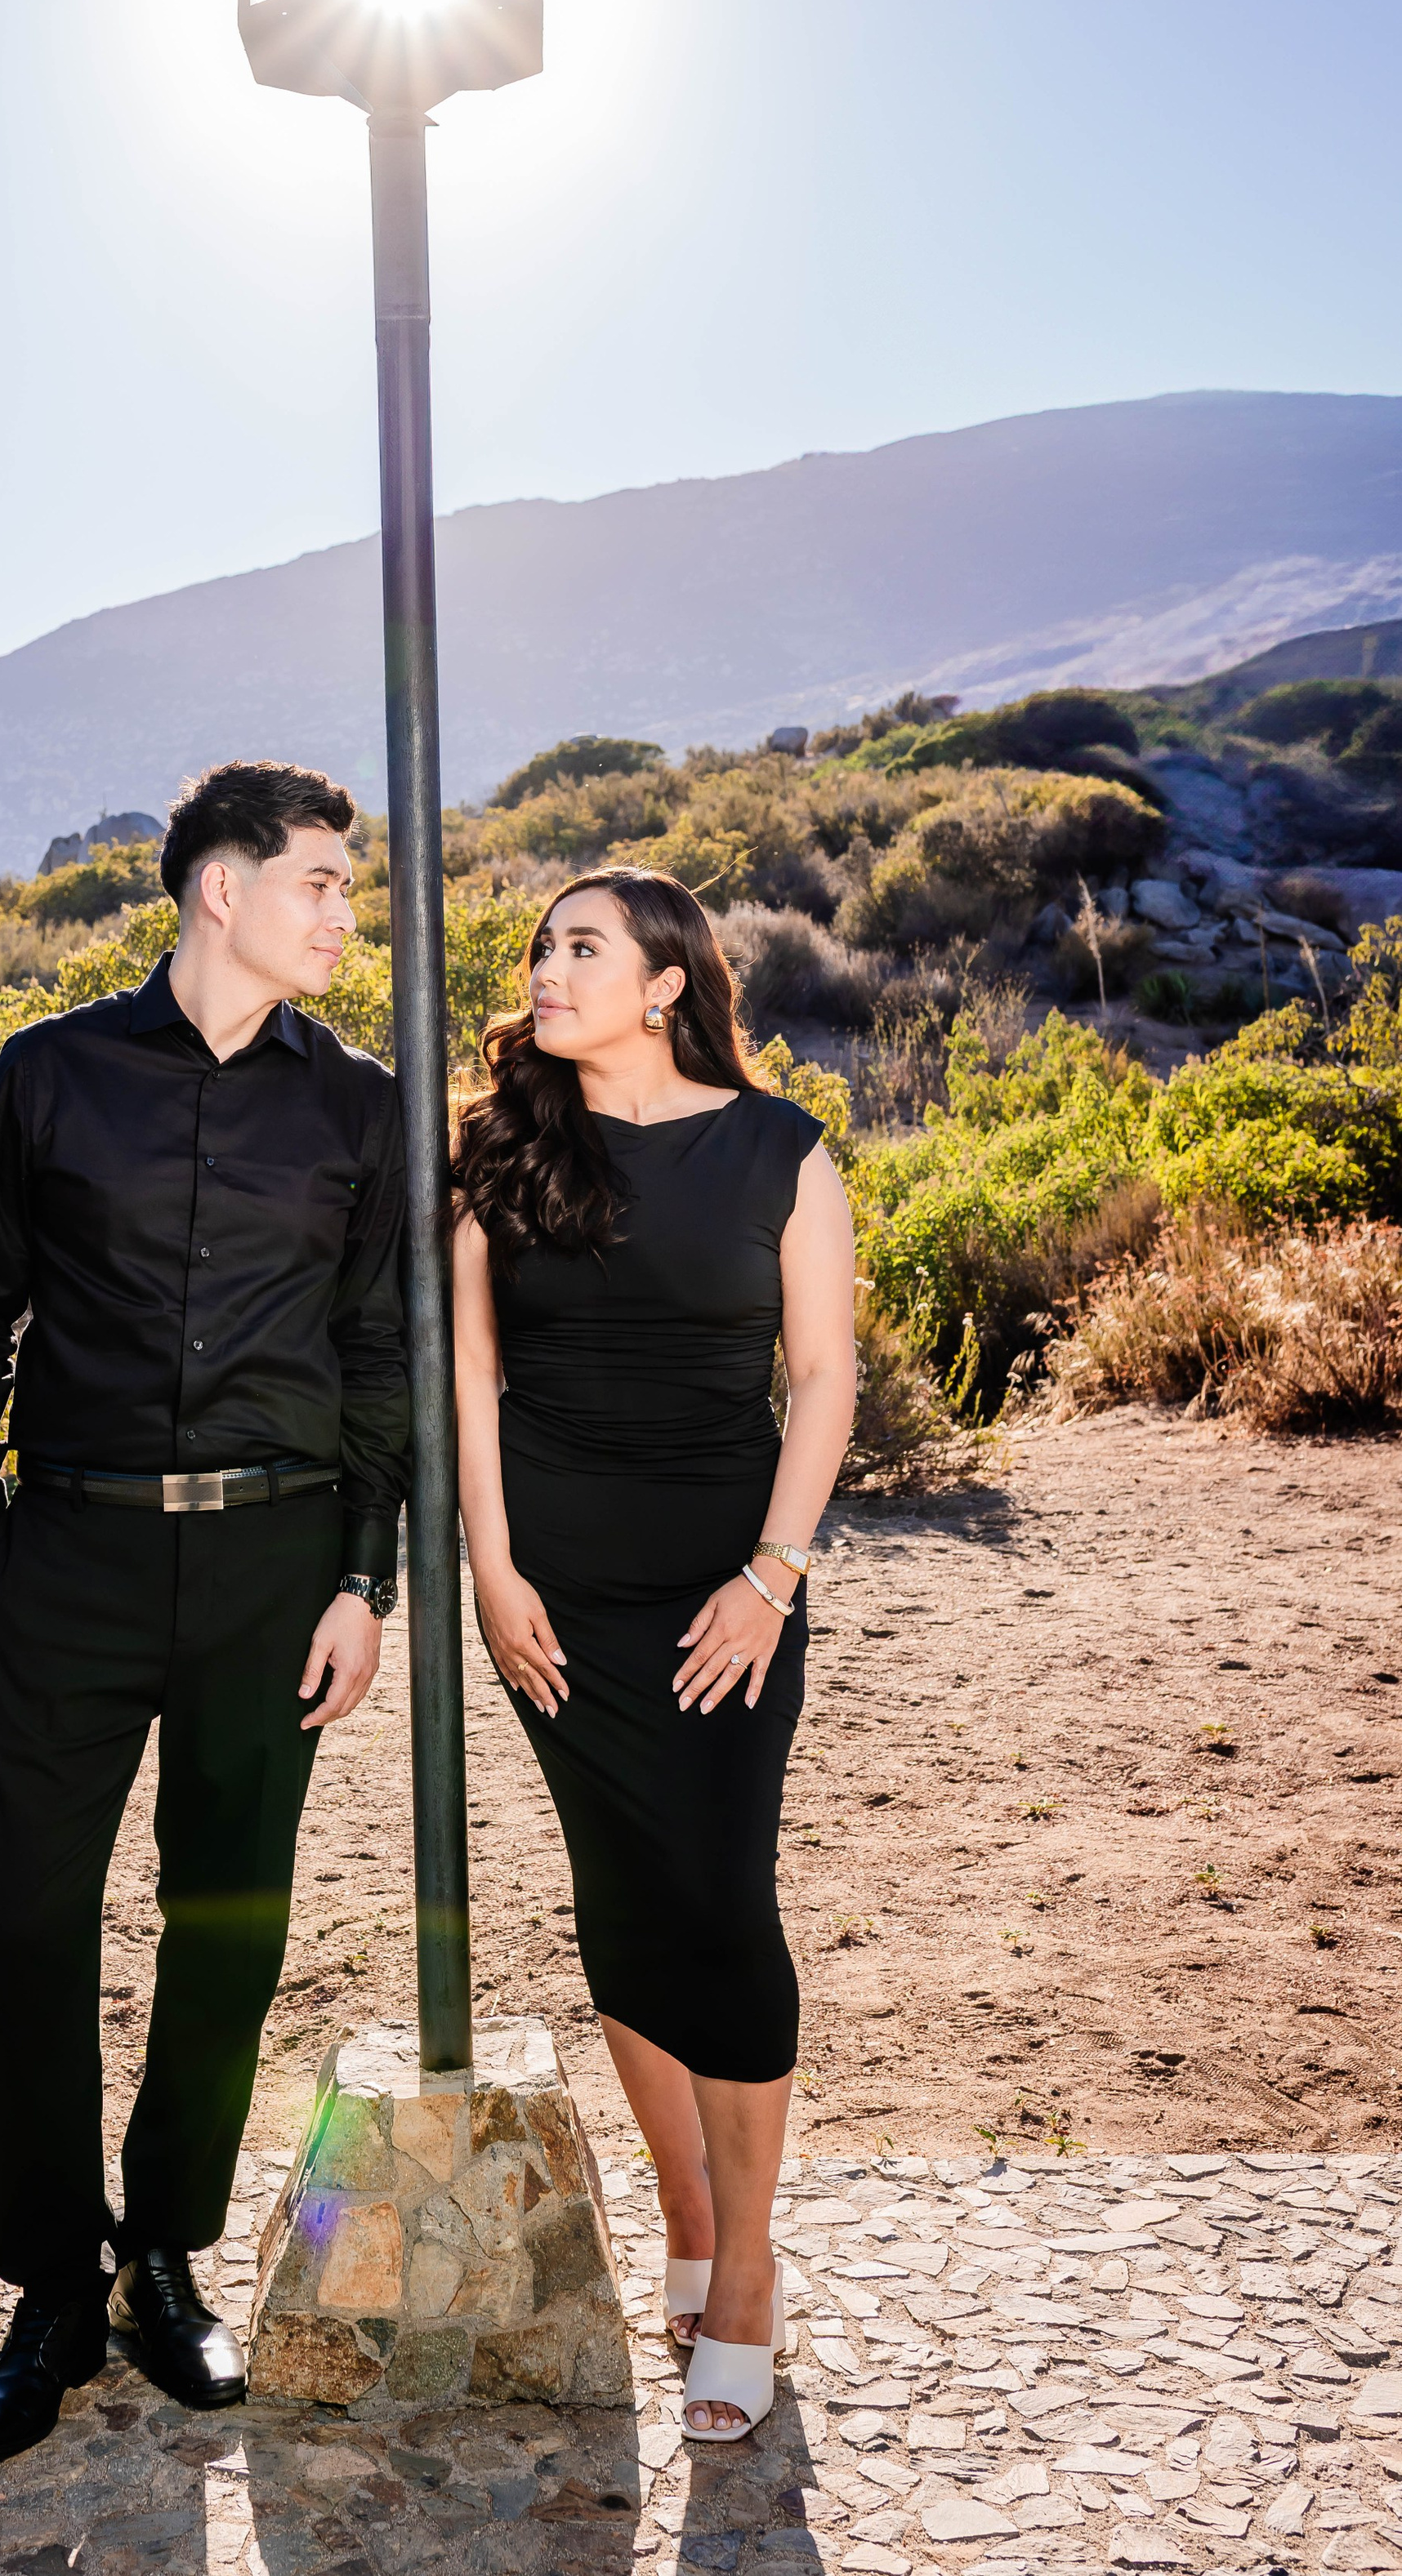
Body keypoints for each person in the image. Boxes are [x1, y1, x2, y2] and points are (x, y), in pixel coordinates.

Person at [0, 760, 408, 2463]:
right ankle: (47, 2286)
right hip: (69, 1561)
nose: (349, 908)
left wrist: (362, 1575)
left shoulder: (356, 1101)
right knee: (37, 1926)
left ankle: (162, 2253)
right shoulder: (46, 1073)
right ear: (222, 888)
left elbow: (374, 1356)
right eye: (326, 881)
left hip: (273, 1573)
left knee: (228, 1925)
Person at [451, 867, 855, 2444]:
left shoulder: (779, 1150)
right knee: (620, 1898)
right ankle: (689, 2223)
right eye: (543, 948)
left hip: (721, 1596)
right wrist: (490, 1569)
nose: (549, 971)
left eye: (583, 948)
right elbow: (475, 1385)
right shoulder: (501, 1153)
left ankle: (743, 2267)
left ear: (668, 981)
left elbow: (819, 1378)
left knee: (718, 1898)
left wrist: (773, 1572)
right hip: (551, 1601)